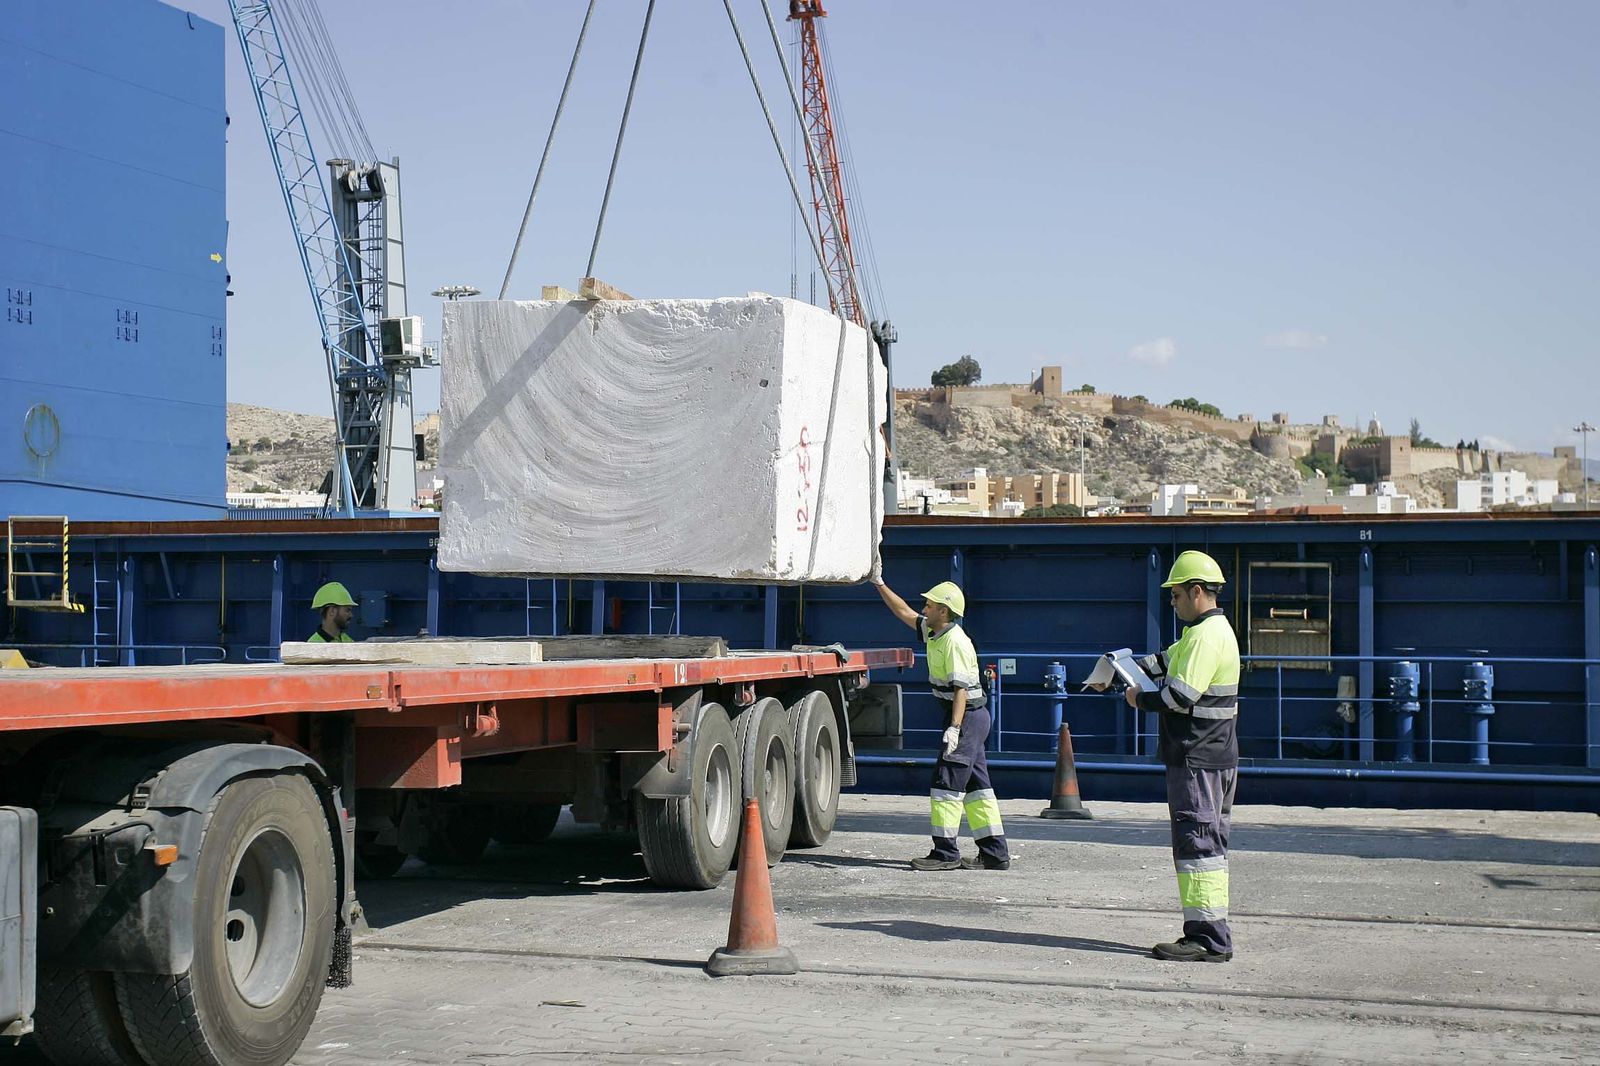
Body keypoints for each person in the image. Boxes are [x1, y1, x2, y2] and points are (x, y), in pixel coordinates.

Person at [1124, 550, 1240, 962]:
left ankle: (1208, 939)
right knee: (1207, 845)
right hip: (1210, 755)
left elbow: (1179, 695)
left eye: (1175, 595)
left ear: (1195, 592)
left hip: (1198, 757)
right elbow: (1164, 662)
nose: (1171, 603)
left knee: (1198, 845)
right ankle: (1208, 932)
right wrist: (1122, 668)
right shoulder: (1202, 633)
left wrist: (1138, 698)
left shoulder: (1206, 636)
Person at [872, 576, 1010, 871]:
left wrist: (955, 729)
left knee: (946, 782)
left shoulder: (955, 642)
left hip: (967, 716)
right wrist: (880, 583)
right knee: (977, 788)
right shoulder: (935, 632)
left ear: (943, 611)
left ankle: (946, 854)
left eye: (930, 605)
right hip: (968, 716)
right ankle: (995, 853)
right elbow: (905, 613)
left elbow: (961, 689)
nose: (924, 608)